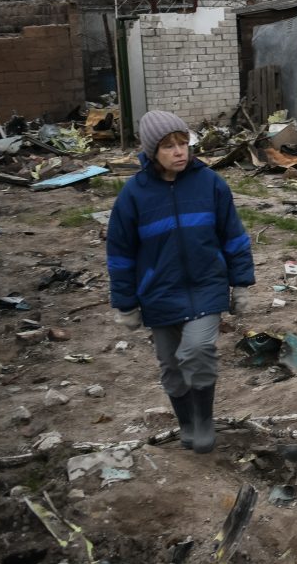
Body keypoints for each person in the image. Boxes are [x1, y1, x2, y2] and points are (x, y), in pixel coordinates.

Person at [105, 110, 255, 454]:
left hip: (206, 286)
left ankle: (203, 420)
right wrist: (125, 303)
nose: (179, 152)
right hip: (159, 292)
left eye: (183, 143)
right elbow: (120, 254)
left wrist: (241, 283)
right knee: (172, 367)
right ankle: (186, 422)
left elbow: (233, 236)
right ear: (152, 151)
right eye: (169, 146)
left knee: (198, 350)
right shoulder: (134, 195)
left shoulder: (210, 184)